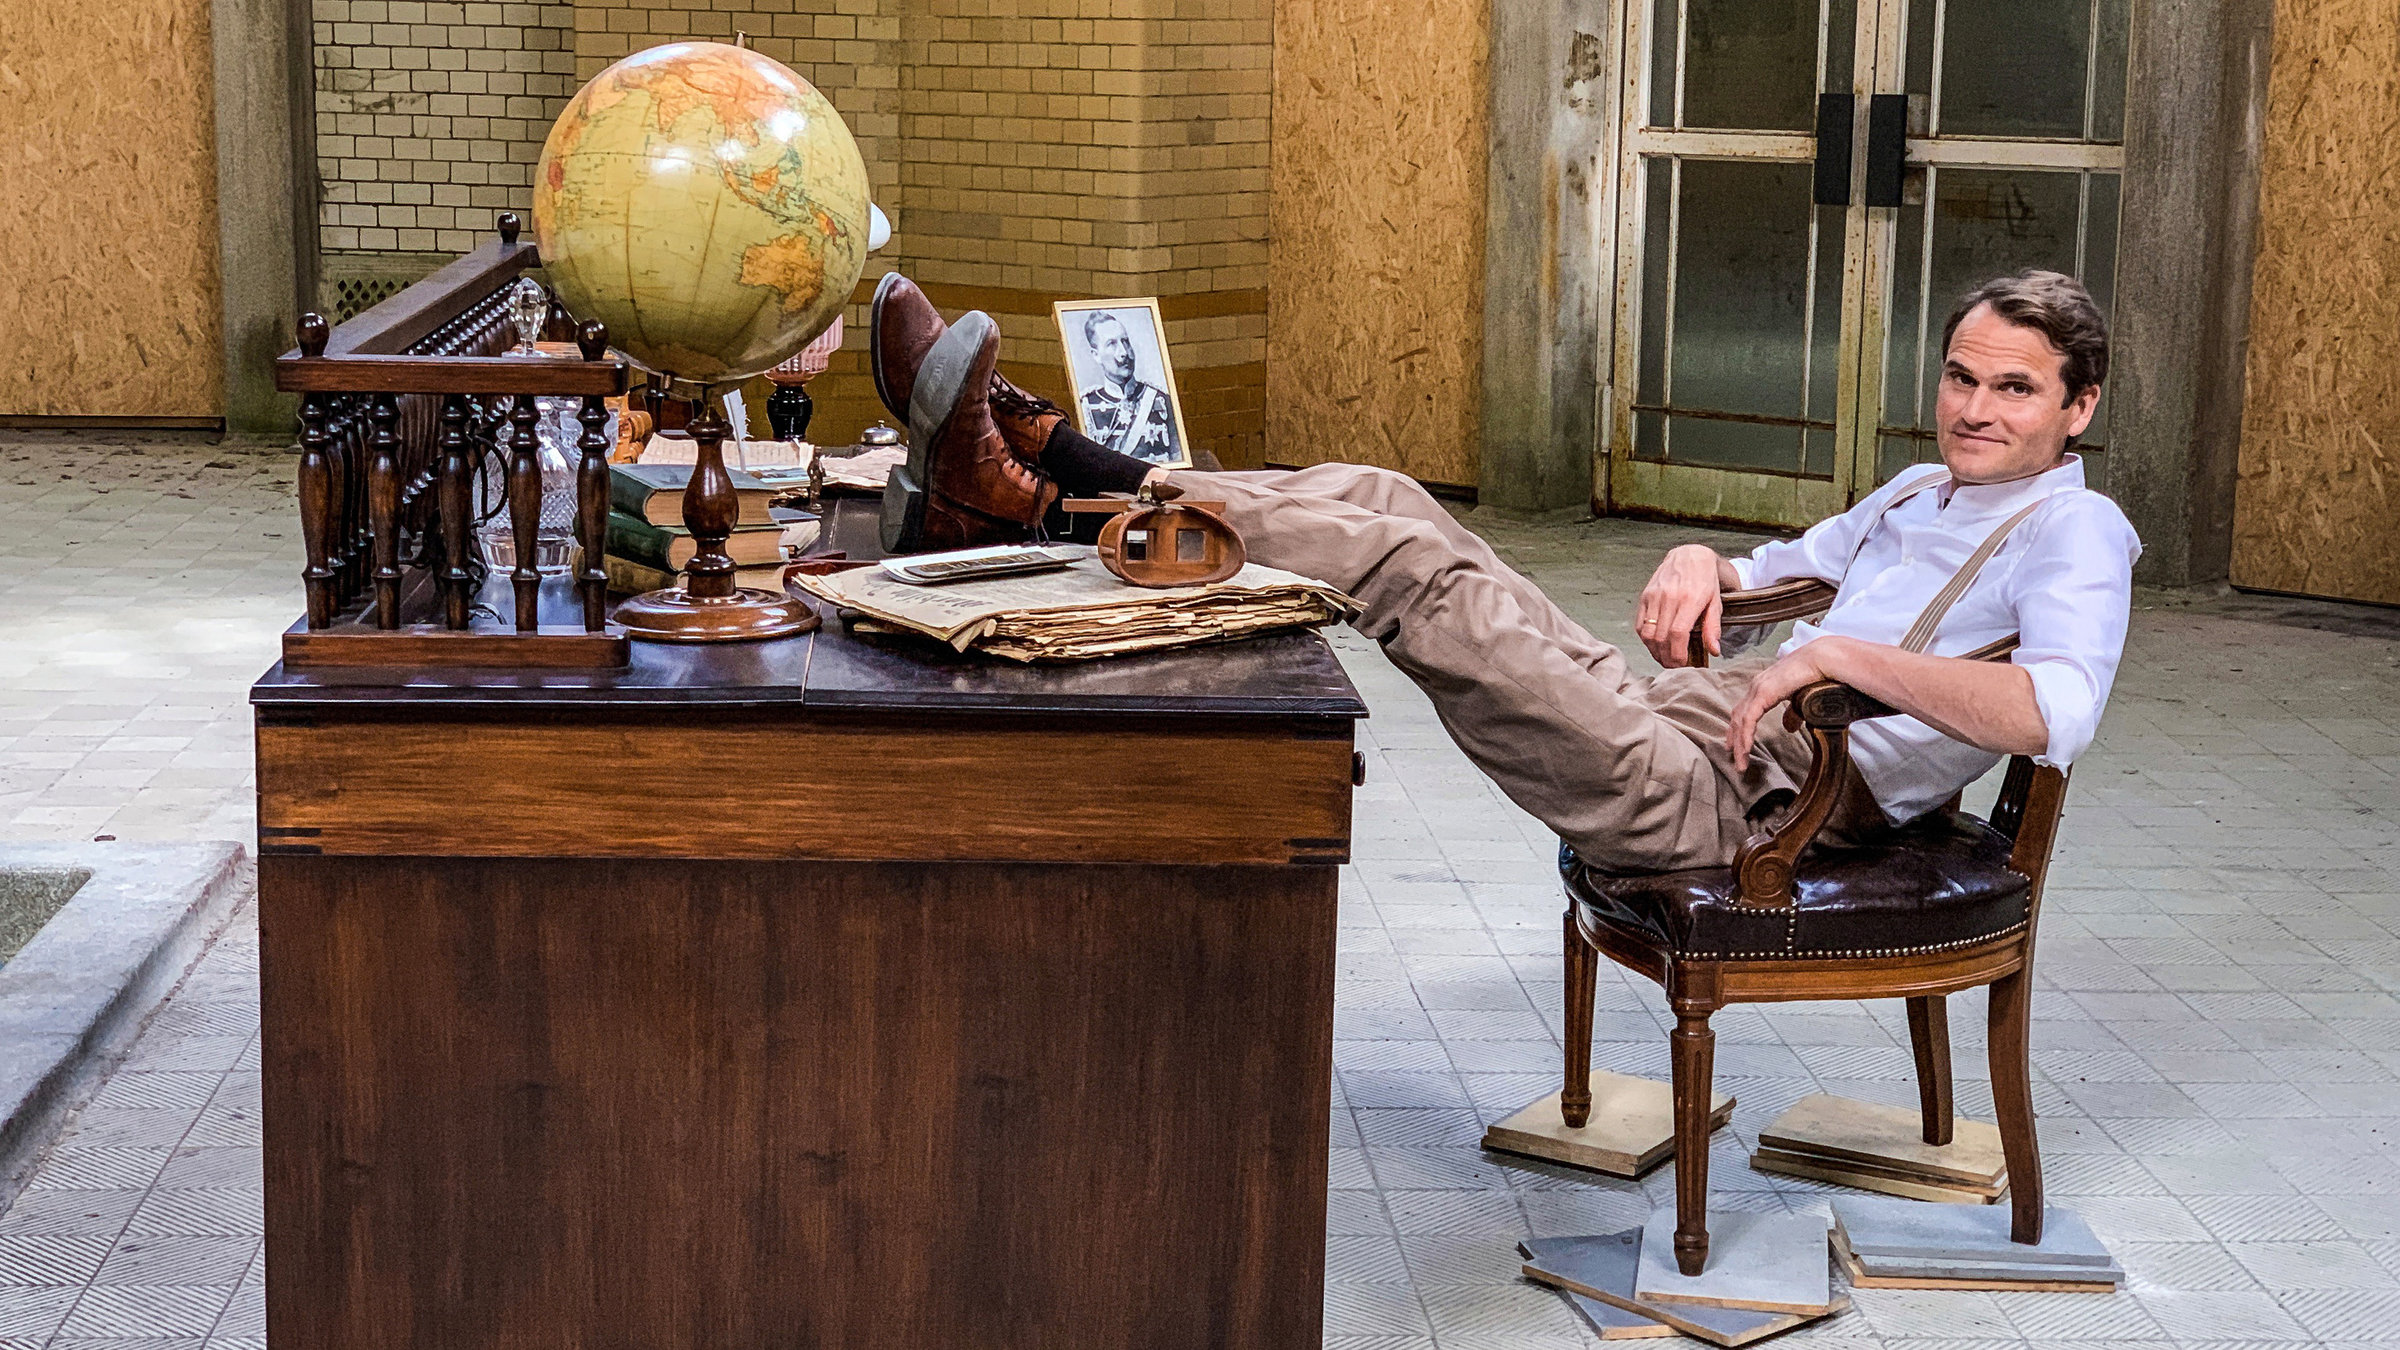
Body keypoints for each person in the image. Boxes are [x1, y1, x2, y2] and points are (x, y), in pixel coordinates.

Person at [869, 269, 2140, 872]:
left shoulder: (2075, 533)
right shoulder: (1925, 491)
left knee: (1404, 568)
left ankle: (1031, 501)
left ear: (2076, 409)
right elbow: (1763, 574)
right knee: (1388, 495)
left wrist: (1841, 657)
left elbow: (2054, 714)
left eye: (2014, 390)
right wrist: (1701, 555)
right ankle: (1062, 472)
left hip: (1733, 806)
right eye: (1962, 377)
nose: (1974, 408)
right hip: (1669, 722)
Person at [1075, 311, 1180, 462]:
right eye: (1112, 344)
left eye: (1125, 342)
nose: (1124, 352)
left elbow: (1178, 459)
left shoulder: (1160, 400)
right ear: (1096, 355)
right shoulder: (1086, 405)